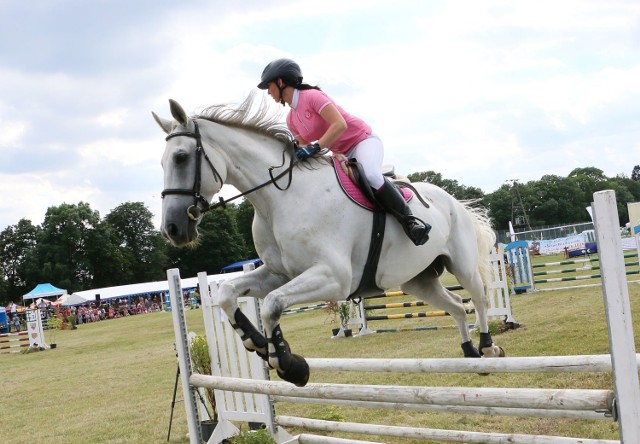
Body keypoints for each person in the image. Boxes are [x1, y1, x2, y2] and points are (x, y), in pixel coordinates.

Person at [257, 58, 430, 246]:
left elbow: (340, 125)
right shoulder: (291, 119)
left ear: (281, 82)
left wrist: (315, 147)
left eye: (269, 86)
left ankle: (411, 222)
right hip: (340, 155)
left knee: (371, 174)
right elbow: (308, 152)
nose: (268, 92)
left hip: (363, 141)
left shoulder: (312, 96)